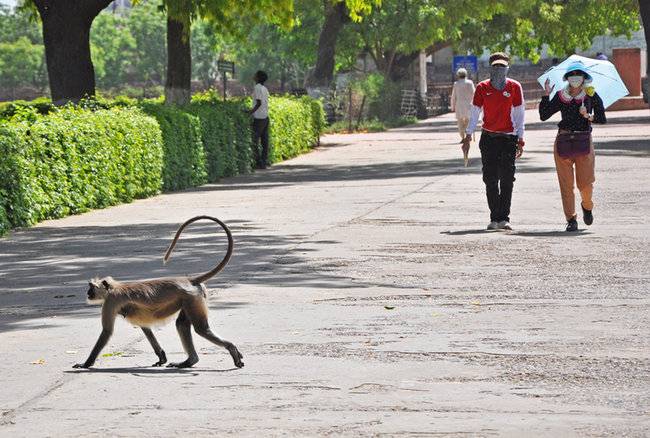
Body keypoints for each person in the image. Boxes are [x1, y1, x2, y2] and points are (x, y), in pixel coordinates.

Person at [539, 62, 606, 232]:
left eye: (578, 74)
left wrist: (588, 115)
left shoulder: (590, 95)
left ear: (584, 77)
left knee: (586, 183)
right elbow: (544, 115)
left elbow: (602, 118)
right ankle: (571, 219)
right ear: (567, 78)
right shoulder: (561, 95)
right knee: (566, 185)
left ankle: (587, 206)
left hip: (584, 141)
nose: (575, 78)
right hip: (564, 141)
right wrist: (546, 95)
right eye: (572, 75)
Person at [462, 52, 525, 231]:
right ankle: (494, 217)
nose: (499, 69)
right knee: (490, 179)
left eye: (502, 66)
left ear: (507, 68)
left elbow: (519, 114)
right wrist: (468, 135)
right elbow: (475, 112)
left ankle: (504, 218)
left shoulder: (514, 87)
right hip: (489, 137)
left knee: (507, 179)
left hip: (509, 138)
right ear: (490, 68)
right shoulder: (482, 88)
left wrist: (520, 139)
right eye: (496, 66)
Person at [247, 70, 270, 169]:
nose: (254, 75)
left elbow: (259, 103)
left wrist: (250, 112)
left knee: (254, 141)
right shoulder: (265, 88)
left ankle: (258, 162)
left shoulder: (257, 87)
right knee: (264, 142)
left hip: (259, 117)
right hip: (265, 117)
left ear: (258, 78)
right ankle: (264, 162)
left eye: (255, 75)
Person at [450, 68, 475, 140]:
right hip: (469, 104)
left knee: (460, 122)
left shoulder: (456, 84)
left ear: (458, 75)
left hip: (459, 105)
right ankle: (467, 134)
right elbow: (474, 93)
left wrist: (452, 106)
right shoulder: (470, 83)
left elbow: (453, 96)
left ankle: (462, 136)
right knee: (468, 120)